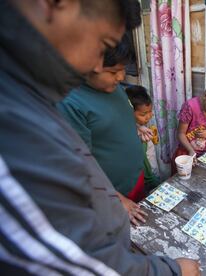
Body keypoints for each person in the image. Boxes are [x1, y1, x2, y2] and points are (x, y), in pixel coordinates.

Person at [0, 0, 200, 275]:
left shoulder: (31, 90)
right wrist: (173, 272)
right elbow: (71, 259)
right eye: (103, 45)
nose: (96, 66)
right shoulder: (18, 119)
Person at [57, 33, 148, 226]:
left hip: (135, 178)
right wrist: (117, 198)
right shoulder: (70, 103)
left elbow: (116, 118)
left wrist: (136, 127)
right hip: (114, 195)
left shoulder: (113, 88)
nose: (122, 77)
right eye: (114, 71)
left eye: (123, 69)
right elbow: (79, 164)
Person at [126, 85, 161, 193]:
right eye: (143, 114)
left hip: (152, 171)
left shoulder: (142, 126)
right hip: (140, 178)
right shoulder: (126, 131)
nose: (149, 116)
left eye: (150, 111)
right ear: (128, 112)